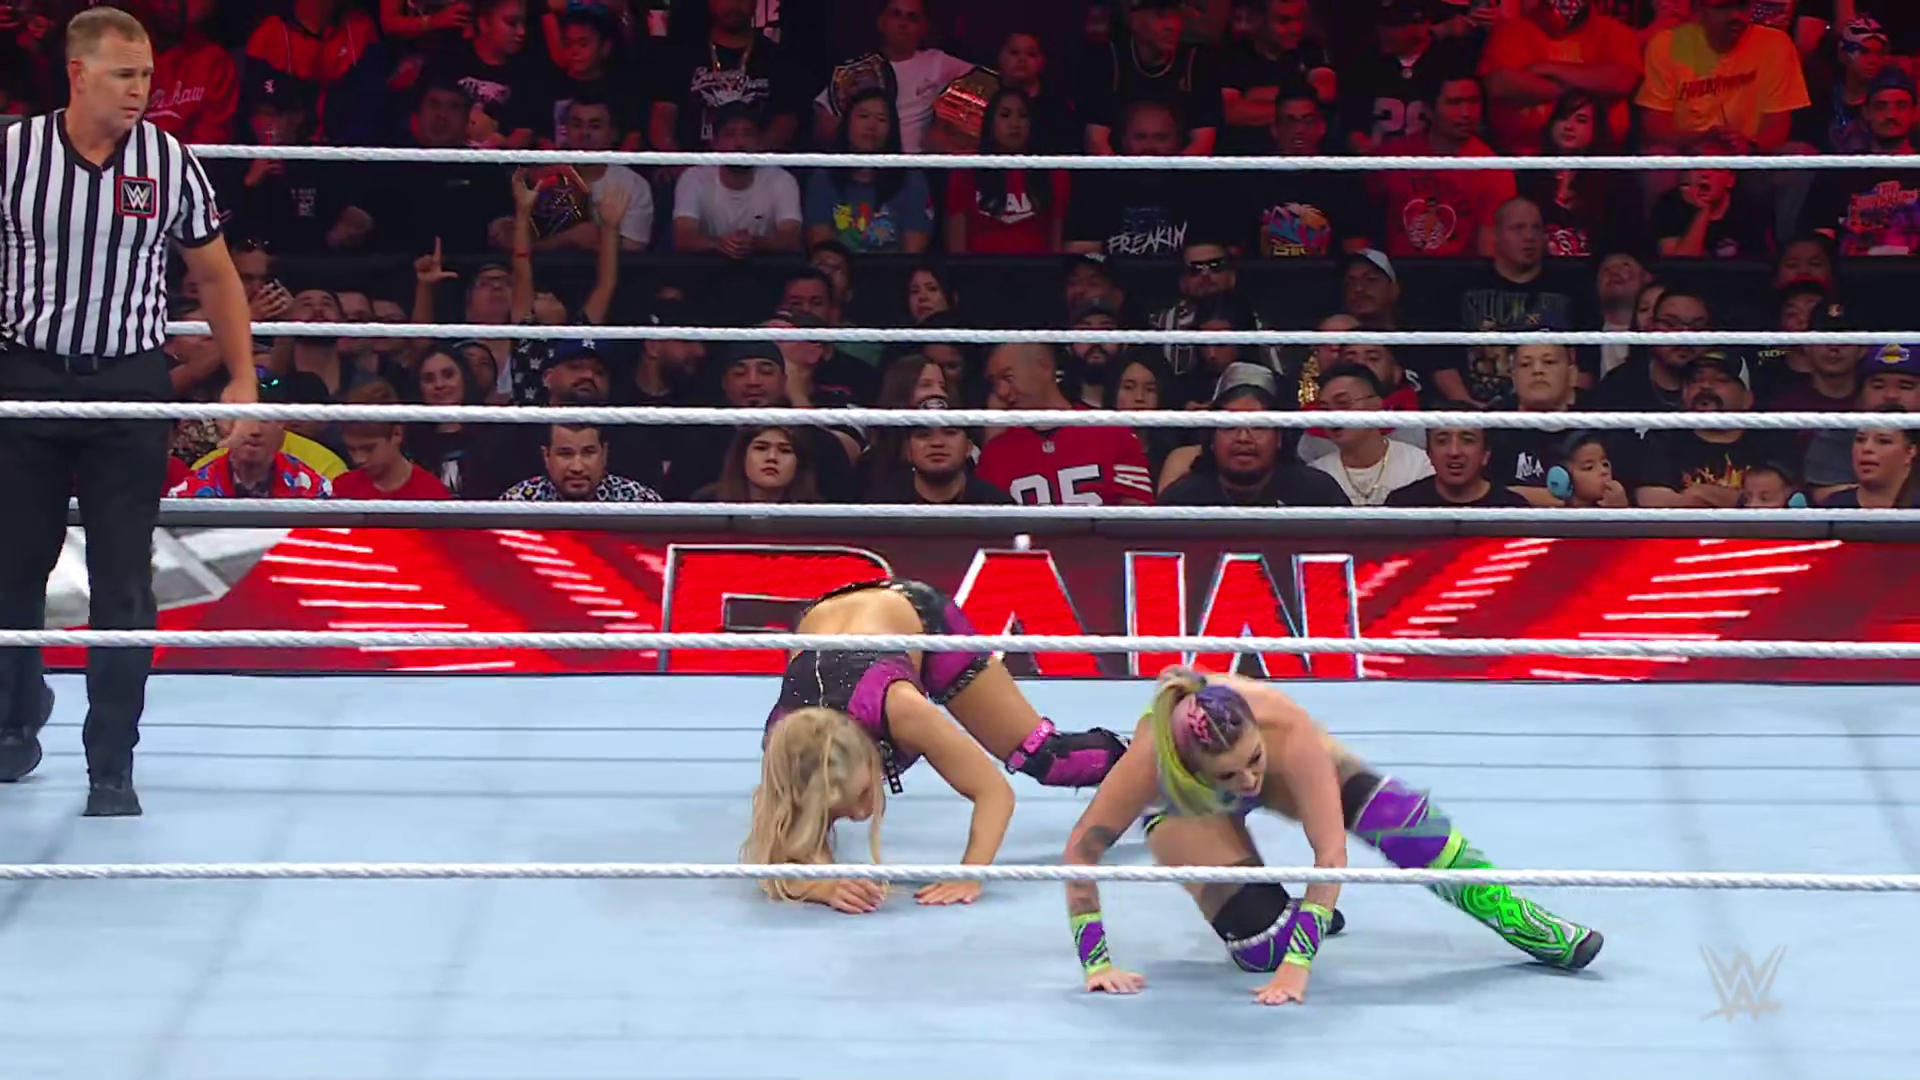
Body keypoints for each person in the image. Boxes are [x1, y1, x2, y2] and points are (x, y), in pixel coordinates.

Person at [0, 8, 258, 817]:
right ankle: (13, 721)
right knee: (12, 569)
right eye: (124, 74)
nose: (140, 89)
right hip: (27, 376)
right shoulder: (13, 153)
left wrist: (242, 378)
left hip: (130, 385)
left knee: (123, 582)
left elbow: (215, 275)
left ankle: (111, 763)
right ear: (78, 75)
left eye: (146, 74)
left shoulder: (168, 162)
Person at [1062, 668, 1604, 1003]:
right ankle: (1293, 913)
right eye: (1230, 774)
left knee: (1403, 821)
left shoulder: (1285, 729)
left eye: (1253, 760)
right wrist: (1097, 963)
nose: (1248, 781)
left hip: (1288, 768)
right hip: (1188, 813)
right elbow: (1081, 850)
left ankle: (1522, 920)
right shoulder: (1150, 765)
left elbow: (1329, 851)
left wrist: (1299, 970)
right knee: (1264, 950)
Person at [746, 579, 1130, 912]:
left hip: (914, 615)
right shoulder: (787, 740)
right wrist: (821, 887)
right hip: (828, 616)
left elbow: (993, 792)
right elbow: (783, 841)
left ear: (872, 752)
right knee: (812, 798)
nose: (864, 812)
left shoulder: (903, 709)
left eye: (864, 792)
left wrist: (970, 873)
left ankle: (1145, 754)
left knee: (1047, 757)